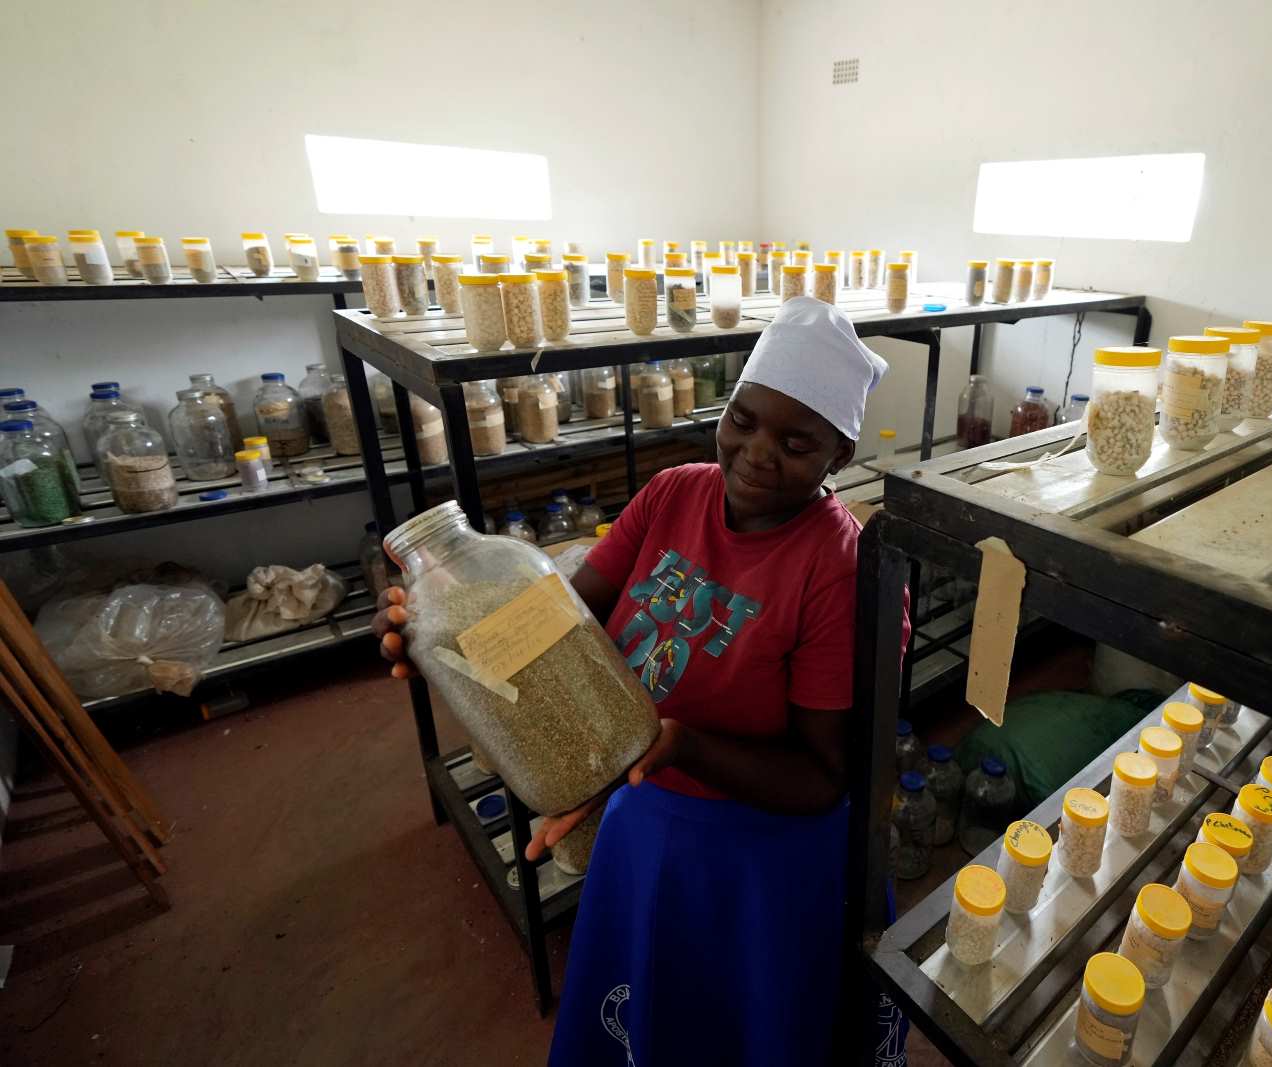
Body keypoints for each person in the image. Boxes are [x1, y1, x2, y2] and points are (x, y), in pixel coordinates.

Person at [374, 296, 905, 1065]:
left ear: (841, 454)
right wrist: (437, 633)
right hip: (646, 818)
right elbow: (560, 625)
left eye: (796, 441)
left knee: (746, 1029)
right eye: (744, 420)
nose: (758, 453)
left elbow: (824, 778)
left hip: (758, 857)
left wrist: (680, 744)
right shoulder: (674, 493)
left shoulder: (839, 565)